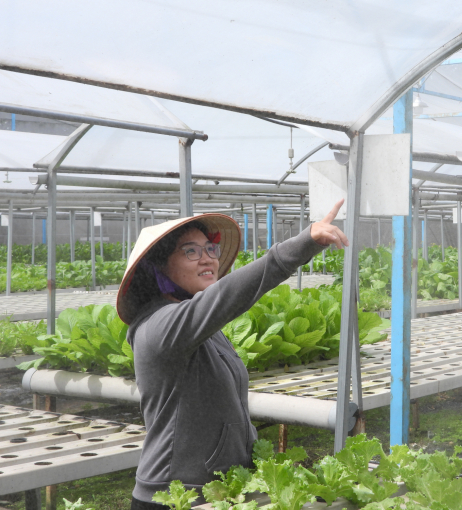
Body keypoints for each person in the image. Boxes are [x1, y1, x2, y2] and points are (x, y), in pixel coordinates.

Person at [116, 201, 348, 509]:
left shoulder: (202, 329)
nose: (207, 259)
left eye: (210, 249)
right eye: (191, 251)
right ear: (157, 266)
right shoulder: (159, 328)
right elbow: (228, 295)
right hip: (175, 498)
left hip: (221, 493)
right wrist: (302, 244)